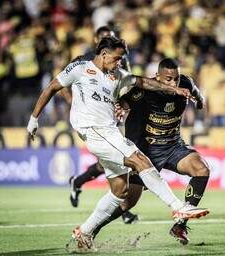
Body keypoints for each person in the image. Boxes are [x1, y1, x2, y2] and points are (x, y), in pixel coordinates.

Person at [26, 37, 209, 252]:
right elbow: (52, 87)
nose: (120, 62)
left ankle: (85, 231)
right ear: (104, 53)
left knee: (119, 191)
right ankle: (178, 207)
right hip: (95, 130)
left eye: (122, 59)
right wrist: (34, 119)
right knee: (140, 159)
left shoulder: (117, 75)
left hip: (110, 132)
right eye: (117, 58)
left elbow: (144, 81)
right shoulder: (80, 68)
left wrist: (176, 90)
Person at [72, 58, 211, 245]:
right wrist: (121, 107)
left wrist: (200, 100)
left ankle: (180, 225)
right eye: (168, 79)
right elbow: (125, 101)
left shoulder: (185, 83)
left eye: (176, 79)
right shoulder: (144, 91)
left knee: (202, 169)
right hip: (147, 150)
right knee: (127, 203)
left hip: (173, 146)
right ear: (157, 76)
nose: (173, 83)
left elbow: (195, 91)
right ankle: (91, 230)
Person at [66, 25, 138, 224]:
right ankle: (123, 210)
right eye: (104, 37)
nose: (108, 39)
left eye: (111, 37)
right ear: (96, 39)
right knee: (115, 160)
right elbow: (63, 83)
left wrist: (124, 106)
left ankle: (78, 181)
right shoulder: (84, 59)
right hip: (91, 120)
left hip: (112, 116)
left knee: (111, 161)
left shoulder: (120, 60)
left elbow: (128, 86)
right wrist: (75, 102)